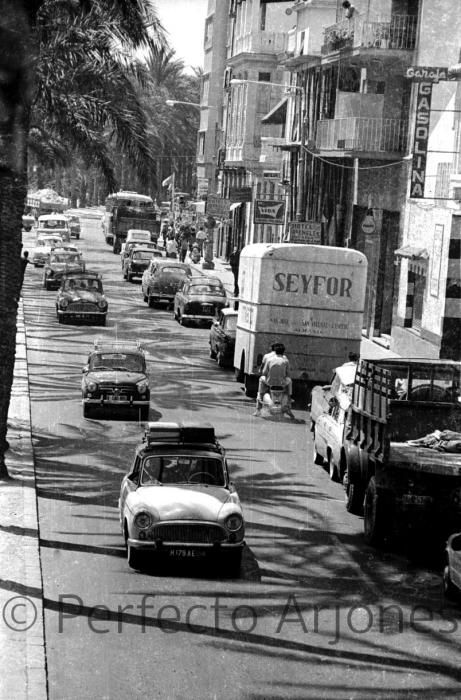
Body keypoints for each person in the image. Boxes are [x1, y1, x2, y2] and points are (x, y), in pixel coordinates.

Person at [254, 342, 294, 418]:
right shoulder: (285, 360)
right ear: (283, 352)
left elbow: (264, 372)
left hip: (270, 383)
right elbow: (288, 374)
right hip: (282, 383)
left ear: (275, 351)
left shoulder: (269, 360)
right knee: (290, 380)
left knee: (261, 379)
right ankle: (289, 400)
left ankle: (258, 405)